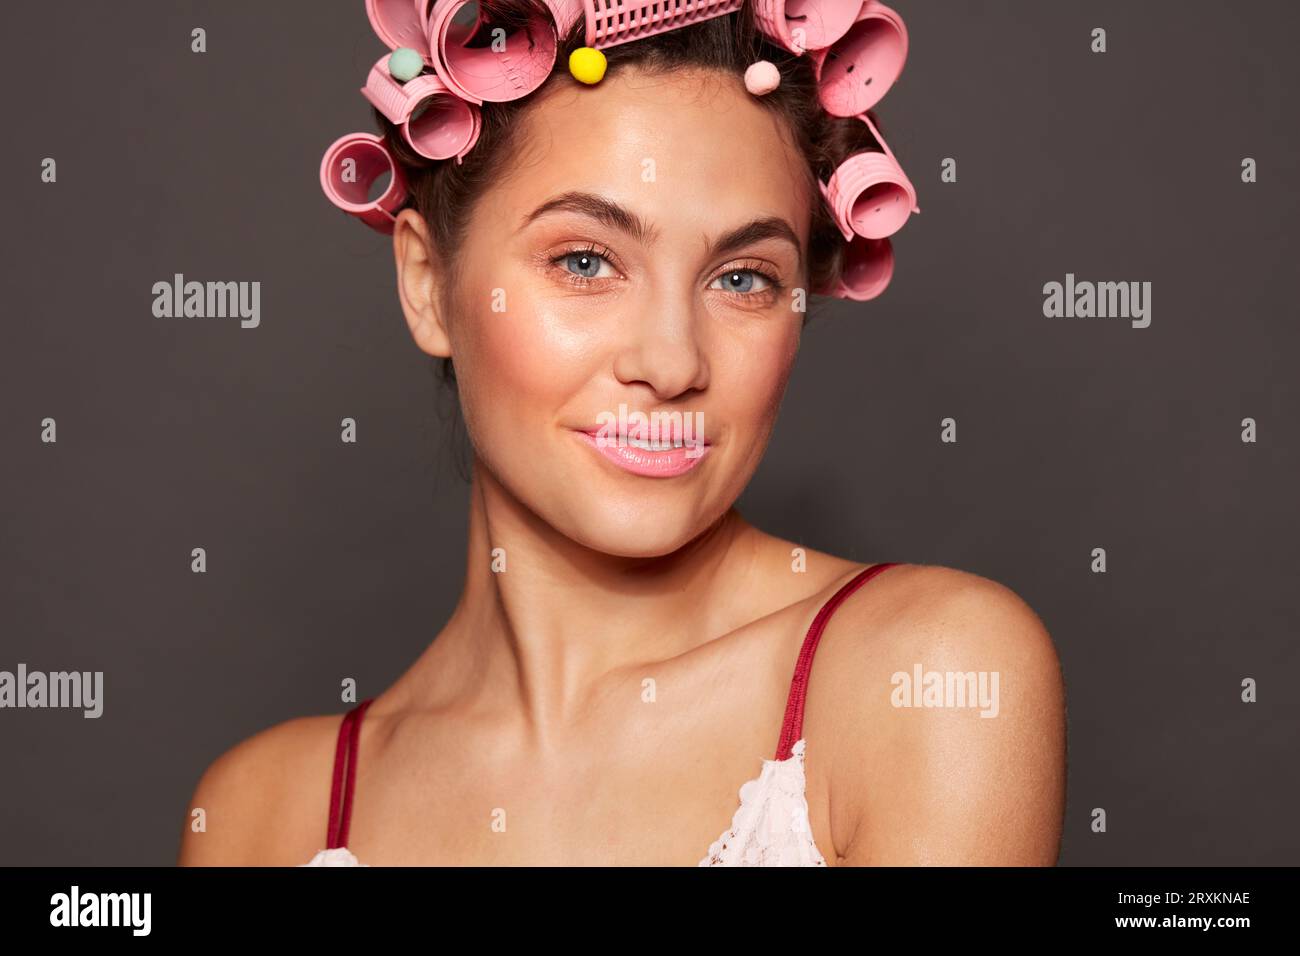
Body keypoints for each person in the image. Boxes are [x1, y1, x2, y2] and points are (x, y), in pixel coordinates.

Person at [179, 0, 1065, 867]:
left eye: (745, 279)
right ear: (427, 283)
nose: (672, 361)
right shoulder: (264, 816)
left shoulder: (931, 680)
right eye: (585, 261)